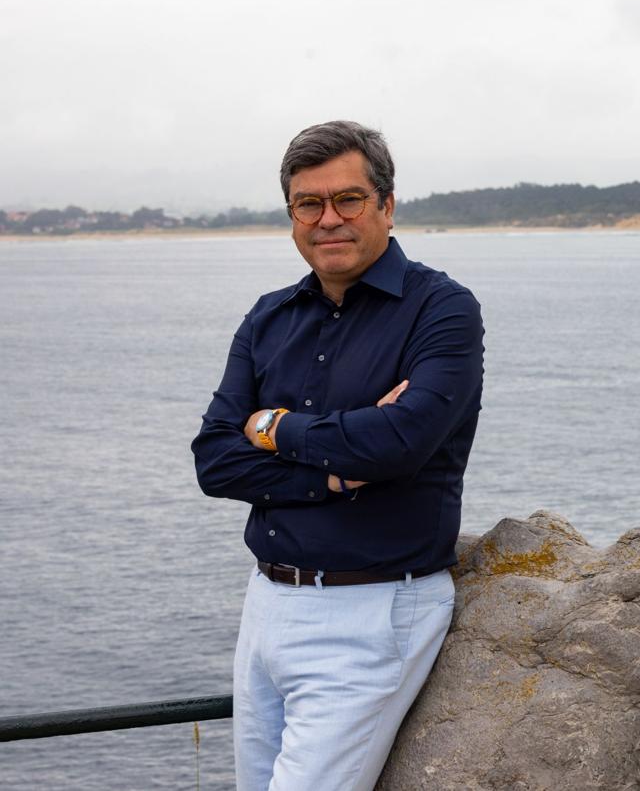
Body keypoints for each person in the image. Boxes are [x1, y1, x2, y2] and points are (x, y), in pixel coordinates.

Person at [191, 120, 484, 791]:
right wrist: (336, 472)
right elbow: (214, 461)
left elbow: (400, 442)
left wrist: (271, 426)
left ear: (386, 204)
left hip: (375, 611)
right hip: (264, 606)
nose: (329, 219)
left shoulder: (441, 311)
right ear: (292, 214)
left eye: (348, 199)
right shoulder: (268, 317)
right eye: (308, 204)